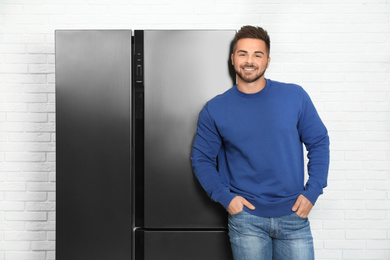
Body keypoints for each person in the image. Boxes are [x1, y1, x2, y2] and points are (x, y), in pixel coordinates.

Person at [191, 25, 330, 260]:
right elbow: (201, 159)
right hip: (247, 221)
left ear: (267, 60)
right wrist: (226, 198)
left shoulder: (294, 96)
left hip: (294, 217)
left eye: (258, 54)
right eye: (243, 53)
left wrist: (313, 191)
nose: (250, 60)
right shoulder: (215, 108)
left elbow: (318, 142)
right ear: (233, 58)